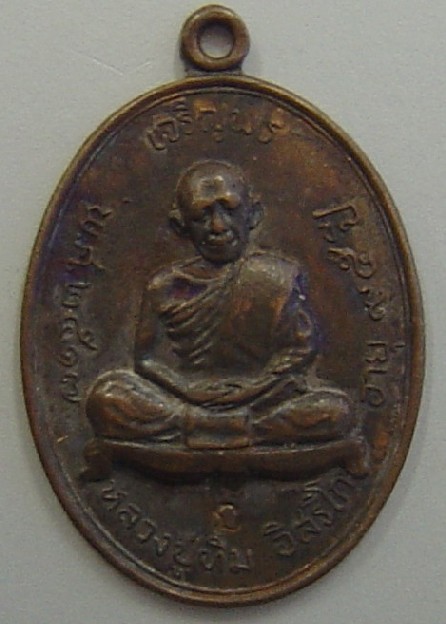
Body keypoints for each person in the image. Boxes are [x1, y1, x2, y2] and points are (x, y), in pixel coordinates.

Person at [85, 160, 360, 454]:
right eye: (201, 216)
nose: (218, 226)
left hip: (262, 400)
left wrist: (254, 388)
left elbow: (299, 352)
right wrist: (188, 390)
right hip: (184, 401)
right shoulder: (164, 286)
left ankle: (204, 429)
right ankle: (237, 430)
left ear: (253, 214)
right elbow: (146, 360)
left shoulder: (278, 276)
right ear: (181, 225)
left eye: (230, 210)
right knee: (106, 398)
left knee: (335, 410)